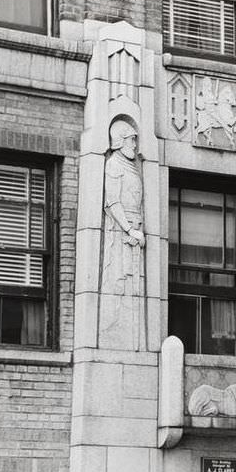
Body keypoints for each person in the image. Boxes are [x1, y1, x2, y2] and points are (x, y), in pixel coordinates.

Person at [100, 120, 145, 345]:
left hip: (135, 231)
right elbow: (112, 202)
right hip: (121, 234)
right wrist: (128, 229)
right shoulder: (114, 164)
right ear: (120, 141)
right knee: (118, 281)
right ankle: (114, 334)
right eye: (131, 139)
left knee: (133, 287)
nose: (135, 145)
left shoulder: (132, 165)